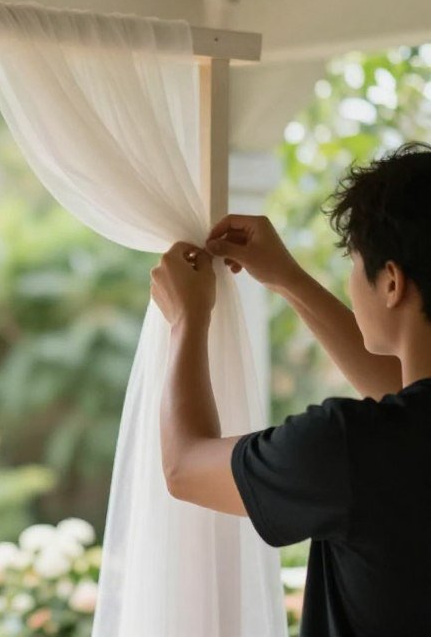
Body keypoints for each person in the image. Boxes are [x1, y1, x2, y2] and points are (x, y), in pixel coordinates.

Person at [149, 141, 431, 636]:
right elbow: (406, 400)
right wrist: (288, 280)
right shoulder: (394, 437)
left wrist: (186, 321)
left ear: (391, 282)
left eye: (352, 261)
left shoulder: (349, 446)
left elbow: (184, 466)